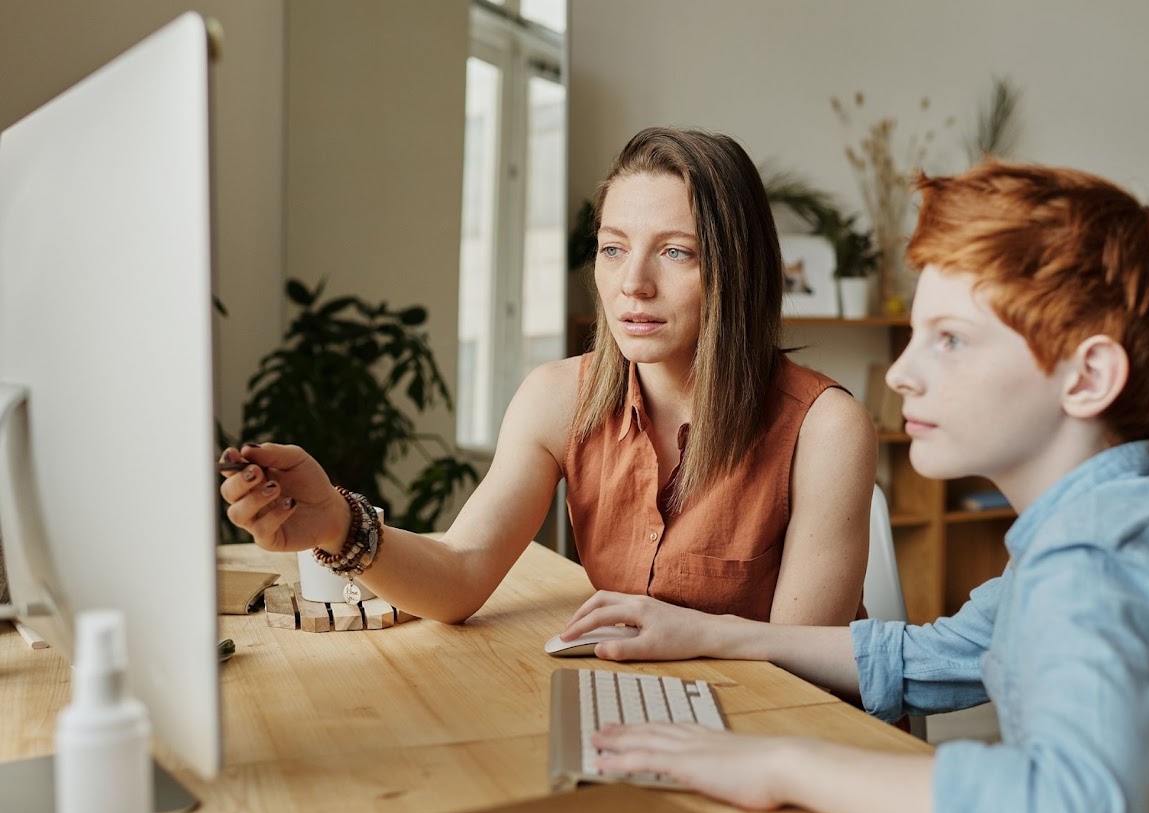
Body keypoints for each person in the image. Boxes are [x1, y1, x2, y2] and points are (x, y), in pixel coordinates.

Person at [561, 161, 1149, 813]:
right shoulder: (1122, 515)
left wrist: (780, 766)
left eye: (951, 341)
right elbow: (933, 656)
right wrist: (714, 632)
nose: (902, 374)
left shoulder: (1102, 561)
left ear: (1088, 377)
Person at [220, 126, 878, 627]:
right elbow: (460, 573)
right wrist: (338, 522)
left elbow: (799, 670)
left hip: (782, 739)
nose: (632, 285)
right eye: (613, 248)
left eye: (676, 252)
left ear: (740, 271)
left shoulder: (826, 430)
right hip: (649, 714)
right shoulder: (558, 398)